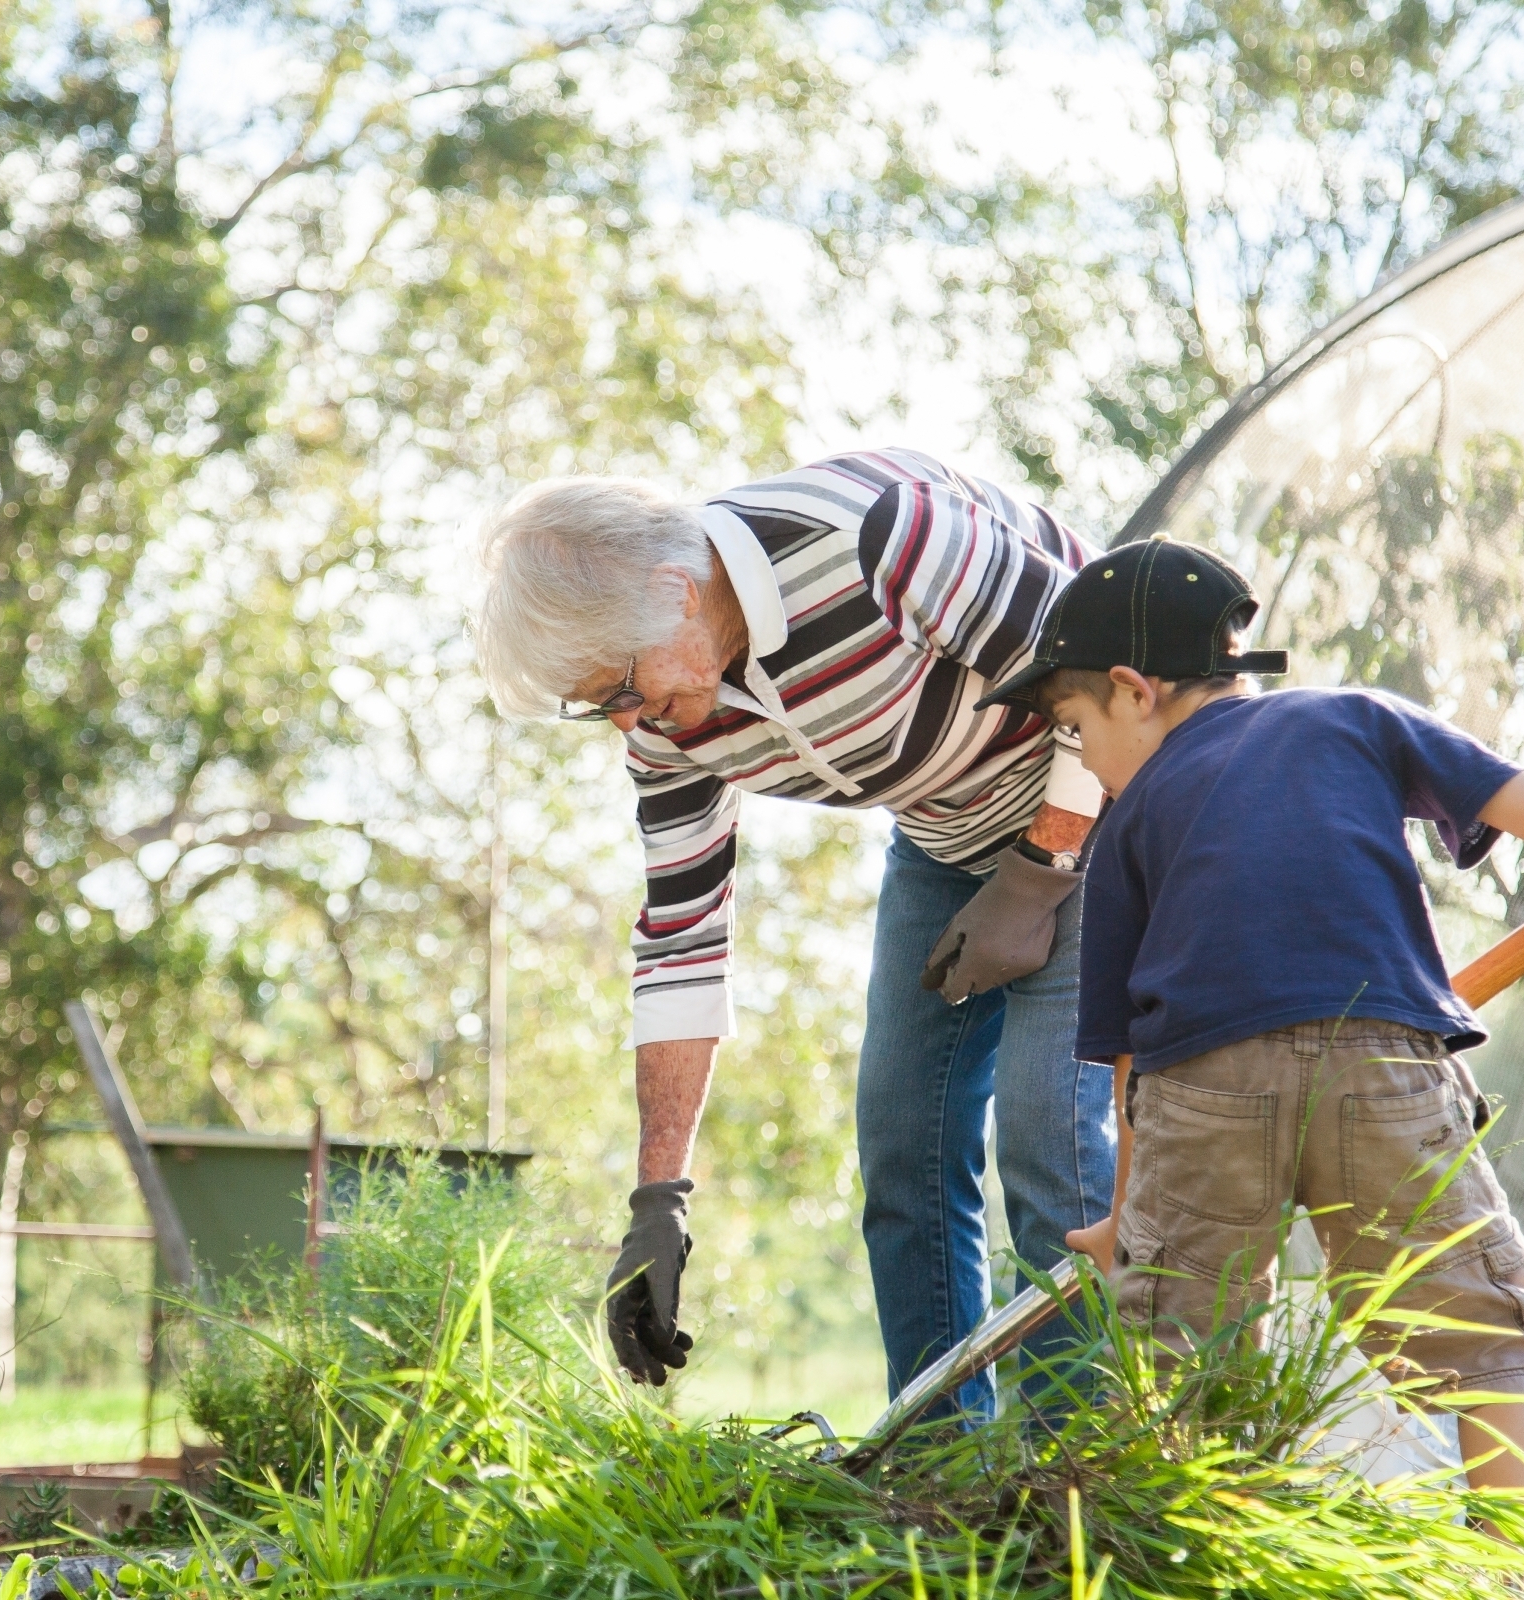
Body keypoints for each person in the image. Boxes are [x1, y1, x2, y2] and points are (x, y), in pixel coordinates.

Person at [980, 536, 1524, 1577]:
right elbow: (1518, 794)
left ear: (1134, 691)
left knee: (1187, 1348)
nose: (1082, 757)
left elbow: (1131, 1066)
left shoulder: (1127, 822)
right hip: (1382, 1064)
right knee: (1485, 1336)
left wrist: (1129, 1222)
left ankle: (1213, 1563)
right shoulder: (1355, 717)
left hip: (1202, 1088)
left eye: (1077, 727)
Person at [474, 449, 1117, 1416]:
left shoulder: (881, 538)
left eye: (619, 686)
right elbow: (684, 936)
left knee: (1045, 1134)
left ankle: (1086, 1462)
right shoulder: (666, 724)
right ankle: (940, 1467)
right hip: (943, 838)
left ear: (674, 591)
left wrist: (1040, 871)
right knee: (901, 1141)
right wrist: (660, 1202)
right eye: (599, 706)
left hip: (1103, 811)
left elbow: (1108, 677)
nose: (627, 722)